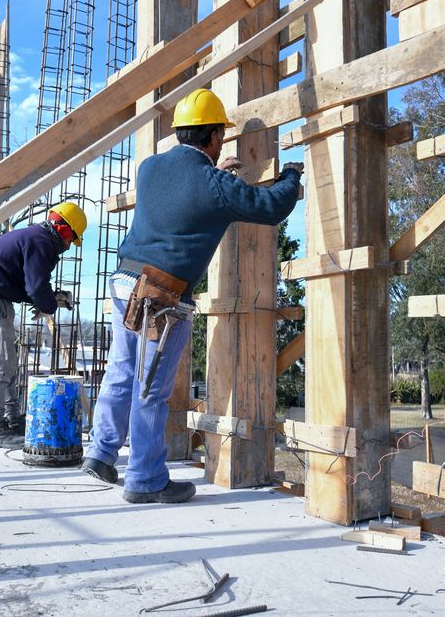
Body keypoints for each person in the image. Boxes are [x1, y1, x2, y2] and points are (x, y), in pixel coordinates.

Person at [82, 88, 303, 504]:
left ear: (182, 132)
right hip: (159, 298)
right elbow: (270, 206)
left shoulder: (150, 168)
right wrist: (291, 174)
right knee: (151, 388)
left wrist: (217, 174)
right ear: (215, 136)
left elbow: (185, 192)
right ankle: (145, 480)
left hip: (124, 282)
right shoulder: (213, 183)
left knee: (123, 371)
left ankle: (101, 454)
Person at [0, 201, 87, 449]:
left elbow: (29, 282)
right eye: (70, 240)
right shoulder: (40, 242)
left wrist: (48, 298)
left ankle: (11, 420)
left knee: (7, 364)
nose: (67, 247)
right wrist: (49, 304)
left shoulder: (33, 237)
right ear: (64, 230)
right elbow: (35, 285)